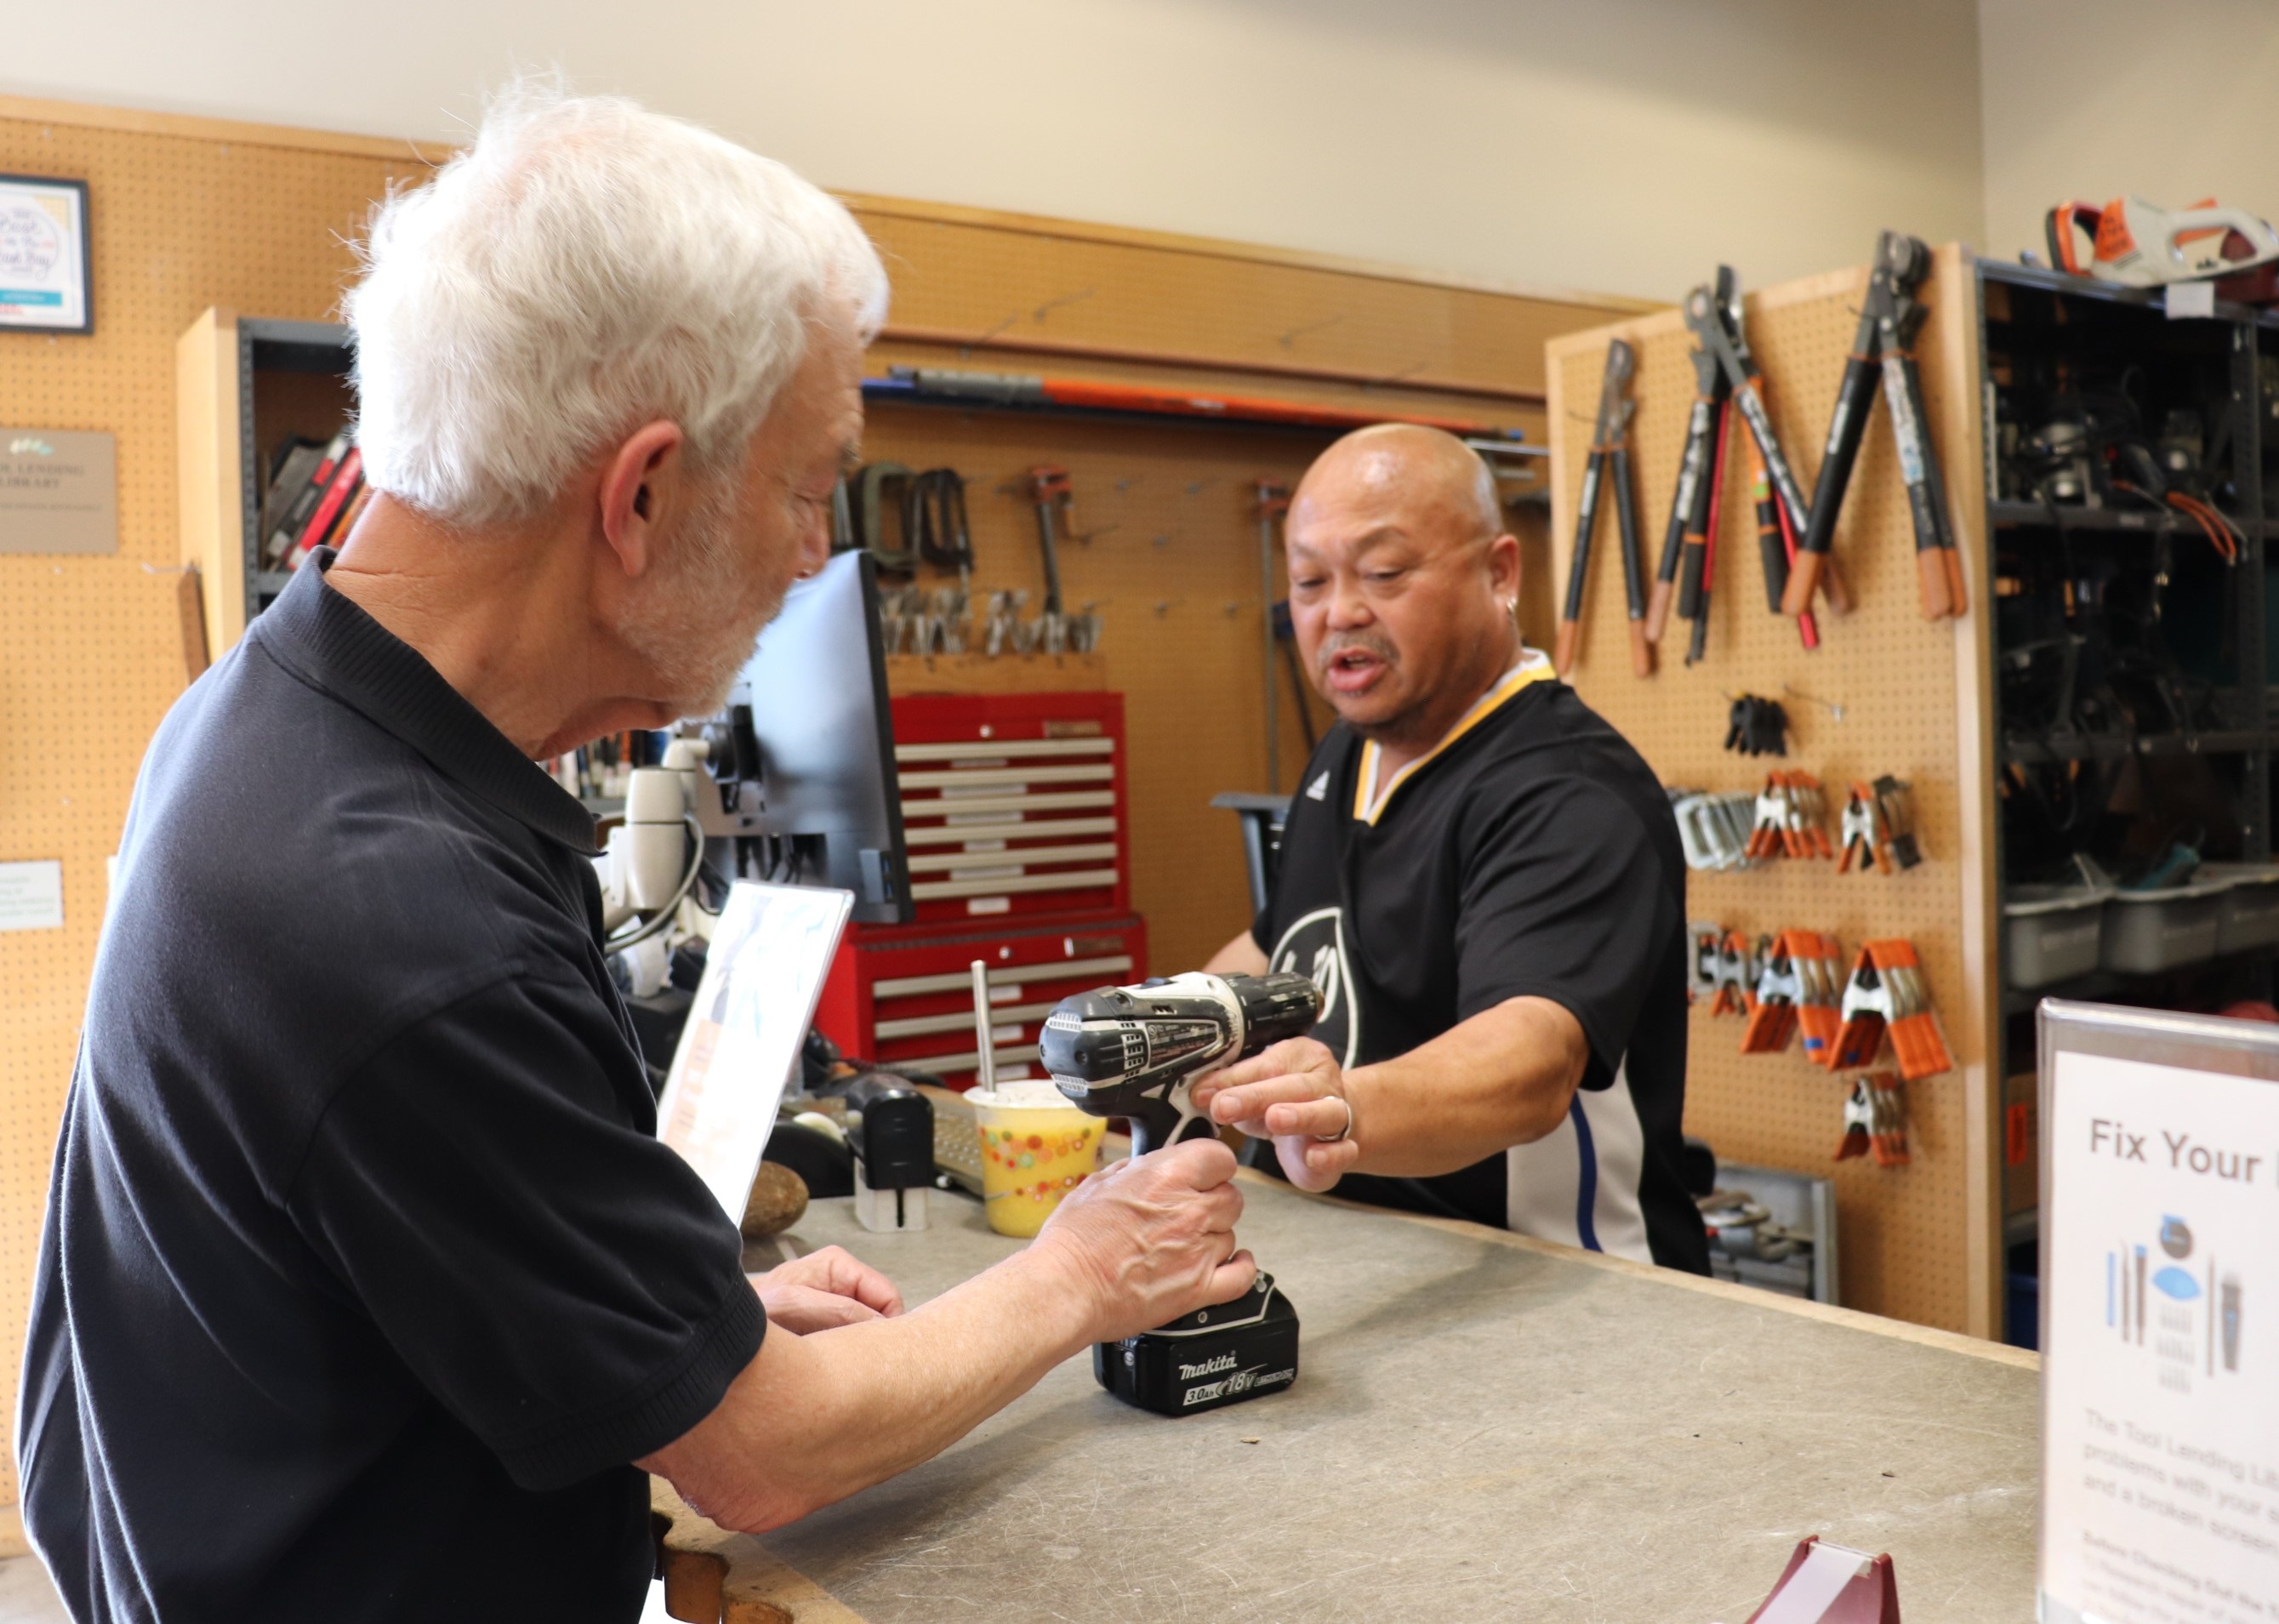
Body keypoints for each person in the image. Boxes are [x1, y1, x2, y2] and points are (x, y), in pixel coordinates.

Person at [16, 88, 1254, 1623]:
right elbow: (766, 1453)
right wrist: (1081, 1270)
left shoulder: (270, 714)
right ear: (644, 494)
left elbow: (357, 1240)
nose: (816, 554)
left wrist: (652, 1312)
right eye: (807, 490)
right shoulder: (396, 918)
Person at [1194, 425, 1710, 1273]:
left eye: (1385, 572)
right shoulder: (1351, 750)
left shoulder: (1567, 792)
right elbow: (1281, 944)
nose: (1341, 611)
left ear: (1500, 572)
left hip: (1559, 1286)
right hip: (1390, 1264)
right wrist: (1155, 1031)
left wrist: (1336, 1105)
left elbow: (1526, 1062)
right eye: (1310, 581)